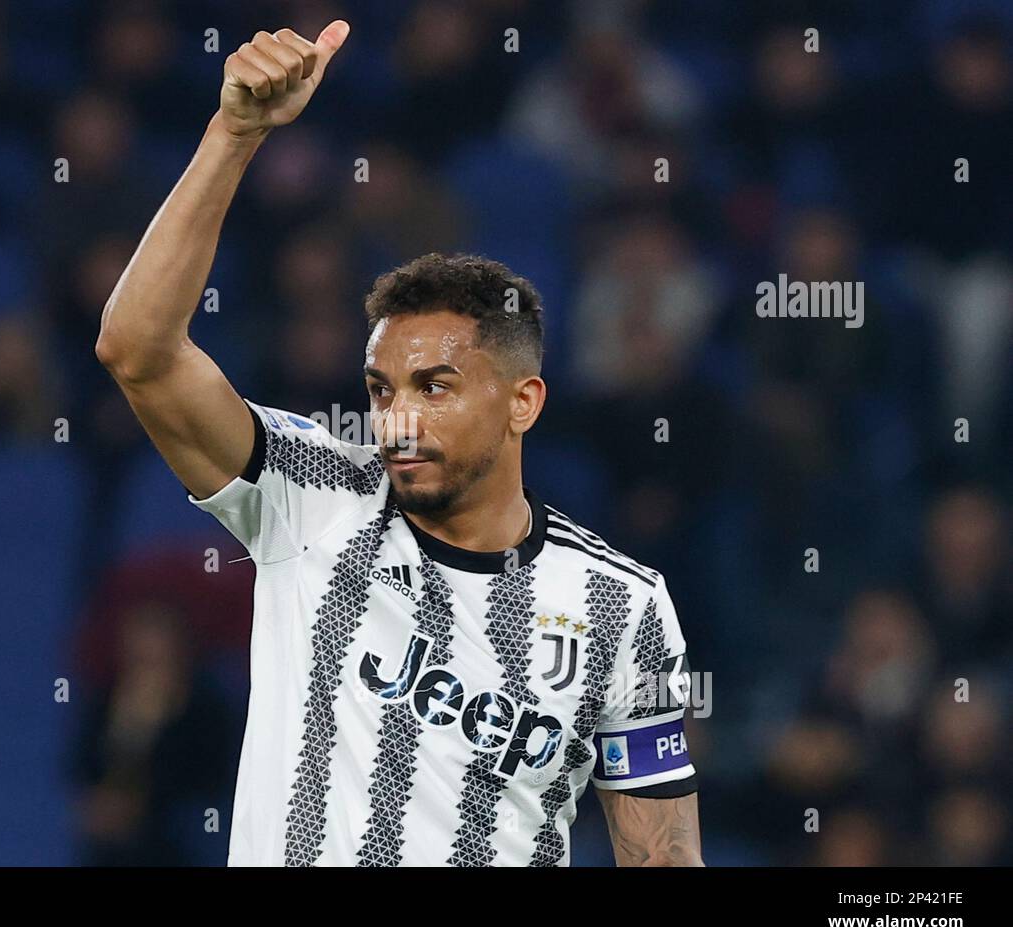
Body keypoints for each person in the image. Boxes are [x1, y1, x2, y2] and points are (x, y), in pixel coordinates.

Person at [97, 20, 703, 867]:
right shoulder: (310, 495)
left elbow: (663, 859)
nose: (398, 418)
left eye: (436, 387)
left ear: (523, 401)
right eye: (382, 389)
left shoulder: (621, 607)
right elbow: (139, 351)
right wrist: (233, 136)